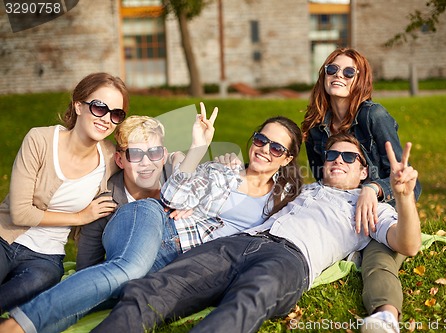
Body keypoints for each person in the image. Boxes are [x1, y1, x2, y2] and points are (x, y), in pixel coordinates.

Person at [88, 133, 421, 333]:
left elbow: (408, 243)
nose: (338, 160)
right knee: (155, 289)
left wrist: (403, 196)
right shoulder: (300, 189)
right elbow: (247, 188)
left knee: (245, 303)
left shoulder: (369, 206)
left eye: (350, 157)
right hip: (239, 243)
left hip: (290, 260)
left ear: (363, 170)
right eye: (333, 154)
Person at [0, 114, 304, 333]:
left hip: (184, 260)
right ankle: (18, 325)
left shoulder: (283, 199)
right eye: (261, 140)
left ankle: (27, 320)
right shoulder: (223, 171)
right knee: (127, 270)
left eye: (276, 148)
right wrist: (199, 146)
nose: (265, 149)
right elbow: (172, 194)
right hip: (153, 220)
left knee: (110, 295)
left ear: (288, 158)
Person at [301, 47, 422, 331]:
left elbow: (410, 187)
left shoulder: (373, 117)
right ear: (323, 76)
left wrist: (374, 188)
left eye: (348, 72)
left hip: (381, 213)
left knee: (378, 262)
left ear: (360, 80)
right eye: (332, 69)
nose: (338, 76)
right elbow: (322, 178)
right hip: (339, 211)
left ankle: (384, 318)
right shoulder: (316, 126)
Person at [0, 72, 128, 314]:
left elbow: (147, 165)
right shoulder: (40, 139)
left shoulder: (111, 157)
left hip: (46, 258)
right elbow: (20, 213)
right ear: (78, 105)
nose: (107, 119)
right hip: (4, 236)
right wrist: (80, 217)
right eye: (100, 107)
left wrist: (198, 148)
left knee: (27, 288)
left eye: (116, 113)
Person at [76, 115, 184, 270]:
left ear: (163, 155)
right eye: (135, 154)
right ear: (120, 160)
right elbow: (87, 266)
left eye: (154, 152)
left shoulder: (178, 181)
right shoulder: (105, 204)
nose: (146, 163)